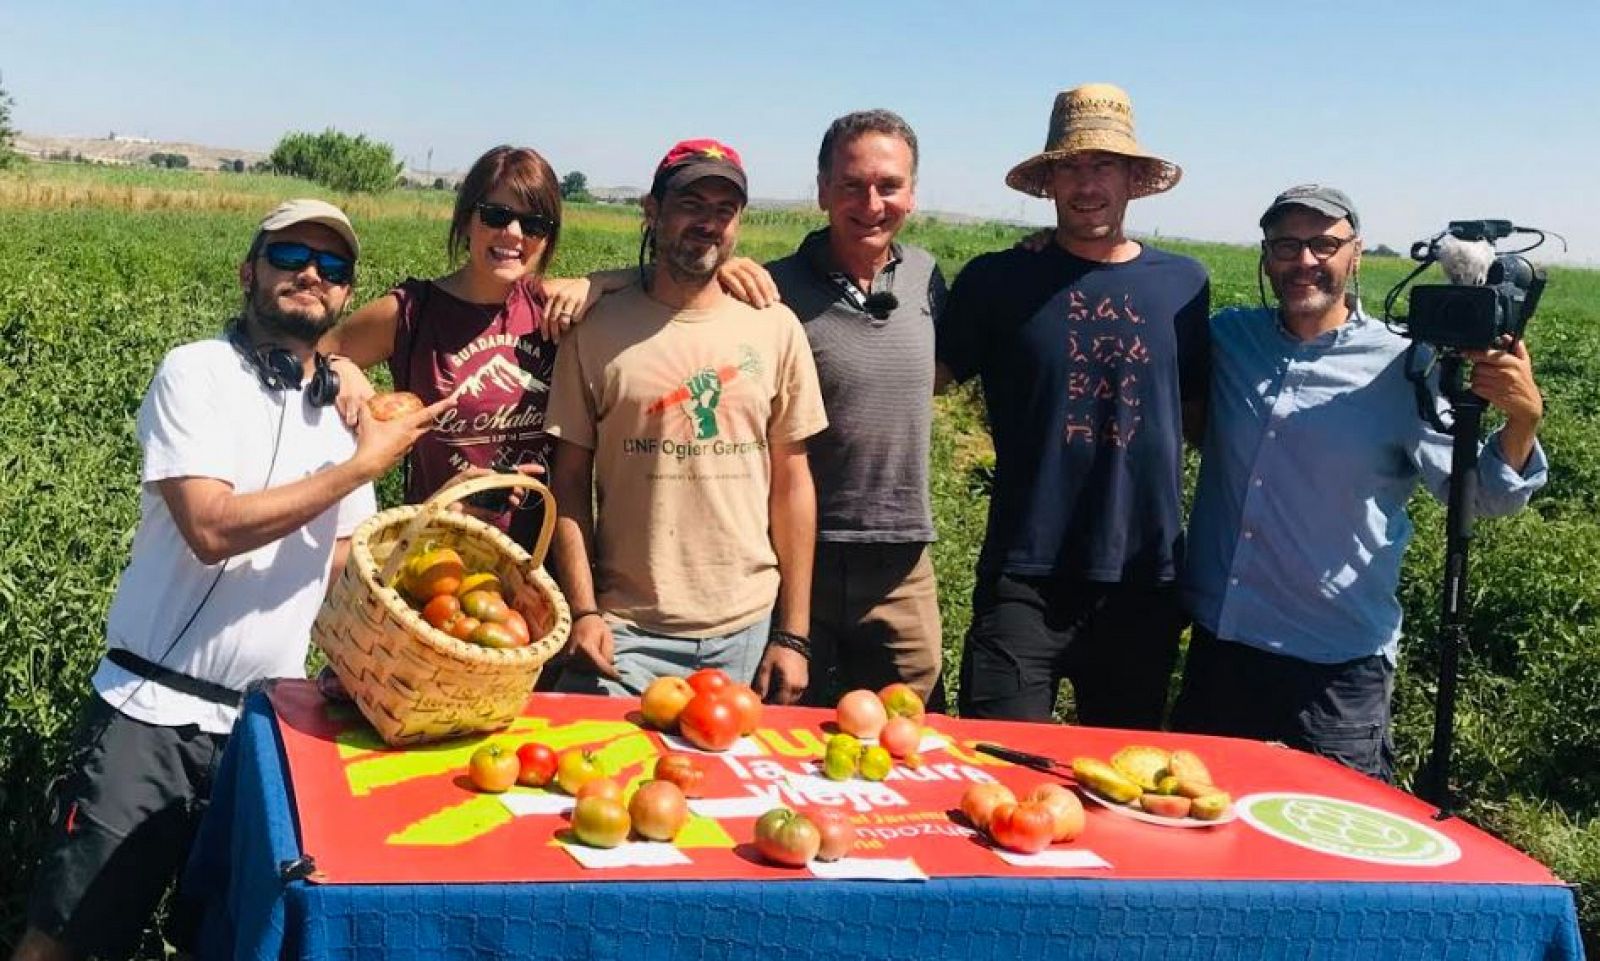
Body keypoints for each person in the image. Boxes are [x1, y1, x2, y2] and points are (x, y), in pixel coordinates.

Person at [13, 200, 445, 961]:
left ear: (346, 295)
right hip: (151, 715)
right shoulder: (198, 371)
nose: (311, 274)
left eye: (333, 267)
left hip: (264, 733)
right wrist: (361, 465)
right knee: (70, 938)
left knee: (232, 940)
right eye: (289, 257)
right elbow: (210, 527)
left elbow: (342, 564)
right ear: (249, 271)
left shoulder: (346, 415)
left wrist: (421, 608)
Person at [1173, 185, 1547, 780]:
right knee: (1201, 848)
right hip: (1221, 652)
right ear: (1266, 255)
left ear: (1357, 253)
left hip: (1334, 672)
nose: (1304, 261)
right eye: (1286, 245)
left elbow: (1482, 498)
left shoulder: (1405, 365)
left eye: (1324, 244)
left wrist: (1522, 421)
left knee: (1329, 860)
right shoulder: (1229, 339)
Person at [935, 83, 1210, 727]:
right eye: (1071, 167)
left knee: (1124, 782)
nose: (1087, 184)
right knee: (996, 770)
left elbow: (1201, 419)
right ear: (1050, 181)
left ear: (1134, 178)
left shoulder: (1185, 285)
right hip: (1023, 575)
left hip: (1143, 580)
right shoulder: (998, 281)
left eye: (1104, 165)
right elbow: (921, 378)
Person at [545, 139, 828, 704]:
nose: (709, 223)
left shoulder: (775, 328)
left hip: (745, 627)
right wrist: (584, 610)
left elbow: (793, 482)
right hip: (624, 632)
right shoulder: (596, 329)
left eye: (725, 210)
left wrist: (793, 635)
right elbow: (569, 482)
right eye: (691, 204)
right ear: (652, 211)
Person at [763, 109, 947, 710]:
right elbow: (675, 288)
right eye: (851, 185)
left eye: (889, 185)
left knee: (907, 737)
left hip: (901, 564)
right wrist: (597, 283)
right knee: (777, 727)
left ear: (912, 192)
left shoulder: (927, 278)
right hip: (793, 560)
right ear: (822, 191)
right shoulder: (770, 290)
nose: (871, 202)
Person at [321, 145, 570, 550]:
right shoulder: (412, 312)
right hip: (434, 553)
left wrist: (596, 285)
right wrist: (339, 366)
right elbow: (312, 355)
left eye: (534, 224)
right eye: (496, 215)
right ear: (467, 218)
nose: (513, 234)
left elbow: (649, 291)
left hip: (536, 559)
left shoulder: (552, 309)